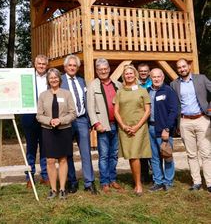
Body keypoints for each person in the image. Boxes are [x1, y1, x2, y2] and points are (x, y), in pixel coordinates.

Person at [170, 58, 211, 192]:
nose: (182, 69)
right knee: (191, 154)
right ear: (177, 70)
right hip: (185, 121)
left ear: (188, 66)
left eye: (184, 66)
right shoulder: (174, 84)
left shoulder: (201, 79)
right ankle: (196, 182)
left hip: (202, 119)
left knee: (206, 153)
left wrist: (210, 108)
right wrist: (176, 124)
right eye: (179, 68)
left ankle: (209, 183)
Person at [36, 68, 76, 199]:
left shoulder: (67, 94)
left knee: (63, 159)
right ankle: (53, 189)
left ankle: (63, 189)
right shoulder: (43, 95)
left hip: (64, 130)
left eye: (56, 77)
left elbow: (73, 113)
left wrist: (61, 121)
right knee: (50, 160)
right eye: (51, 78)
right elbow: (39, 115)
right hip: (48, 131)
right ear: (48, 80)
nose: (53, 79)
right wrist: (50, 121)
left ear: (60, 79)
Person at [61, 54, 98, 194]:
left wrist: (89, 121)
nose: (72, 67)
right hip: (67, 121)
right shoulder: (60, 81)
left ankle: (89, 182)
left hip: (82, 120)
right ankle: (72, 181)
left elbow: (87, 101)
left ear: (77, 67)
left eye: (74, 65)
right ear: (65, 67)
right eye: (69, 65)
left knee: (86, 152)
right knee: (68, 153)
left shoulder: (82, 81)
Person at [114, 65, 151, 196]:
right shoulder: (120, 91)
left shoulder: (142, 90)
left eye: (130, 73)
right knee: (131, 156)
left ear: (135, 74)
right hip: (125, 128)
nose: (128, 75)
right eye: (126, 74)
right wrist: (123, 126)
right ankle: (137, 181)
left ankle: (138, 184)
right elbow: (116, 111)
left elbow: (147, 111)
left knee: (135, 155)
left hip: (139, 127)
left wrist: (137, 126)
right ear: (123, 76)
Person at [87, 58, 123, 193]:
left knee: (114, 155)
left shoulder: (118, 85)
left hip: (116, 124)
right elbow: (90, 107)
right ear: (97, 71)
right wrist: (96, 123)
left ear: (109, 69)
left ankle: (113, 179)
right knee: (104, 155)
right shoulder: (93, 85)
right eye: (100, 69)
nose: (103, 71)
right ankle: (104, 181)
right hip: (103, 125)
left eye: (105, 69)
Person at [147, 68, 178, 192]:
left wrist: (167, 128)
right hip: (150, 128)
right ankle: (158, 181)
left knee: (167, 155)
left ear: (163, 77)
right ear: (151, 79)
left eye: (158, 76)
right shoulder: (147, 91)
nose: (156, 79)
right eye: (153, 77)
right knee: (154, 157)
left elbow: (174, 111)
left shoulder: (168, 91)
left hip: (164, 129)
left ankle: (168, 182)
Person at [21, 55, 49, 187]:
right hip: (30, 116)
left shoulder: (51, 78)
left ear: (47, 65)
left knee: (45, 147)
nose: (41, 66)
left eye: (44, 64)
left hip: (46, 116)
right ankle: (30, 177)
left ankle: (45, 175)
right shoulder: (27, 77)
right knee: (31, 148)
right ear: (35, 64)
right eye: (39, 63)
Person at [137, 62, 152, 183]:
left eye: (145, 71)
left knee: (152, 149)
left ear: (149, 72)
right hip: (139, 120)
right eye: (141, 71)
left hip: (152, 120)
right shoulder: (135, 85)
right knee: (141, 149)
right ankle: (144, 174)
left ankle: (157, 174)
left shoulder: (153, 84)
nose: (143, 73)